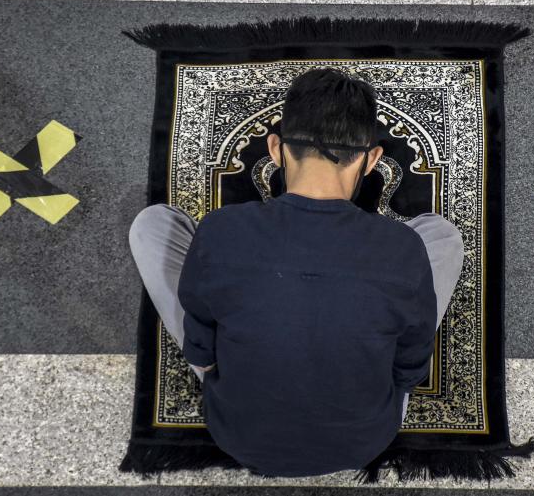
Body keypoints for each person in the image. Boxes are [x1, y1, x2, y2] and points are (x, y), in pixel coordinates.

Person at [128, 67, 464, 477]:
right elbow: (409, 368)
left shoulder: (222, 230)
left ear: (275, 149)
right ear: (372, 159)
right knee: (441, 234)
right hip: (365, 439)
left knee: (153, 223)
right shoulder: (402, 249)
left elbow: (202, 347)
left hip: (237, 433)